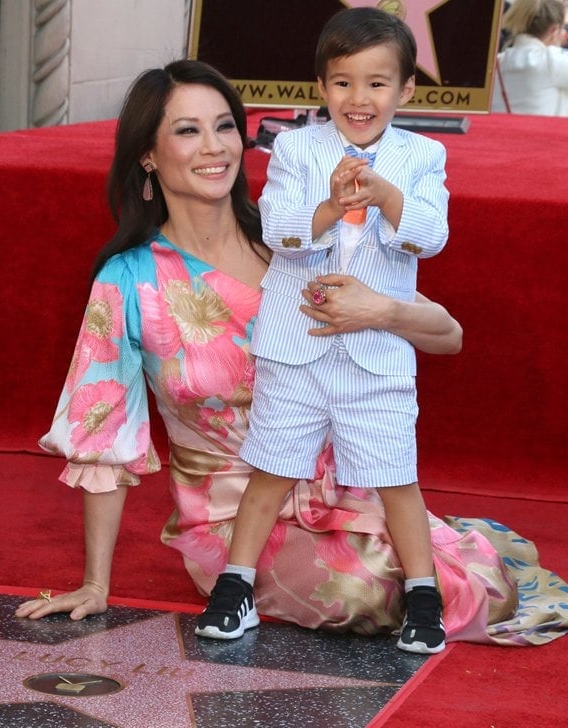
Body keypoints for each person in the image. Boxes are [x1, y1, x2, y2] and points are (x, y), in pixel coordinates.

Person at [12, 58, 472, 635]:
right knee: (360, 593)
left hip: (352, 484)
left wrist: (384, 311)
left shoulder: (301, 239)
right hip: (231, 517)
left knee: (440, 580)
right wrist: (96, 583)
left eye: (226, 125)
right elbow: (103, 434)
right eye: (187, 130)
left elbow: (448, 337)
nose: (215, 147)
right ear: (147, 156)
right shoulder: (129, 281)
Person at [195, 7, 448, 655]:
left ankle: (424, 596)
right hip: (296, 346)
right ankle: (235, 584)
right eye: (342, 82)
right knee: (271, 469)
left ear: (406, 89)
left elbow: (430, 236)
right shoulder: (297, 148)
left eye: (376, 83)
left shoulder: (423, 156)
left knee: (397, 476)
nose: (358, 98)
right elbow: (277, 229)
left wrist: (384, 194)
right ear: (321, 87)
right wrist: (333, 205)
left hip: (377, 353)